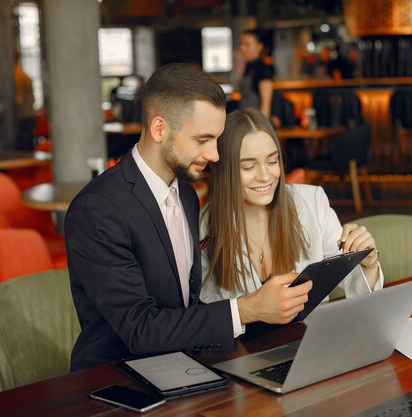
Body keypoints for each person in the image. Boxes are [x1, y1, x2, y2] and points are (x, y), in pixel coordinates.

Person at [65, 63, 313, 371]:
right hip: (114, 378)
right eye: (203, 140)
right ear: (159, 129)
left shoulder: (186, 194)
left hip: (182, 364)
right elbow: (140, 329)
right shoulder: (97, 210)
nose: (215, 155)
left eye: (216, 140)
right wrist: (247, 309)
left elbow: (186, 307)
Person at [200, 108, 383, 305]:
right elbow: (207, 308)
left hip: (312, 333)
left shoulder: (312, 202)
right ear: (225, 170)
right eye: (248, 167)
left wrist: (367, 263)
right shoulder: (205, 224)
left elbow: (357, 285)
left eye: (272, 161)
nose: (265, 176)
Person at [238, 30, 276, 123]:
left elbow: (265, 103)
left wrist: (262, 128)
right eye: (241, 44)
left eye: (247, 44)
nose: (242, 48)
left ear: (259, 46)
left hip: (256, 122)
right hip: (246, 119)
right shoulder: (248, 66)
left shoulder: (263, 69)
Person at [13, 49, 36, 151]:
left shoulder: (18, 75)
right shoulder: (20, 74)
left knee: (25, 148)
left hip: (24, 116)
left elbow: (19, 99)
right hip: (28, 114)